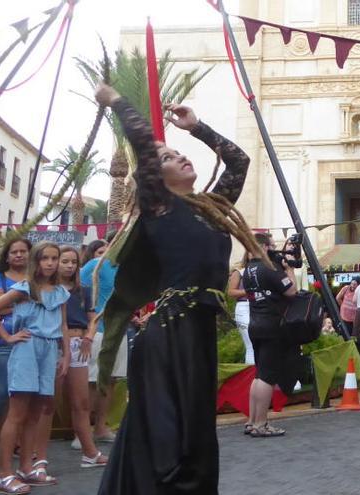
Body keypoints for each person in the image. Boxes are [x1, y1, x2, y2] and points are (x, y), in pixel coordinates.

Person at [93, 83, 251, 494]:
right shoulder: (158, 206)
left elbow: (238, 160)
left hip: (198, 334)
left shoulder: (212, 210)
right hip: (169, 333)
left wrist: (197, 128)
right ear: (152, 175)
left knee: (196, 437)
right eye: (167, 157)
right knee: (170, 440)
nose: (179, 156)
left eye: (178, 151)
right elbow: (144, 146)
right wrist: (117, 101)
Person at [0, 242, 70, 493]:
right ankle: (4, 473)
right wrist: (8, 337)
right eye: (45, 258)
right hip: (27, 348)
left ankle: (27, 467)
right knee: (17, 413)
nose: (50, 263)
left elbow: (62, 325)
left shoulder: (60, 291)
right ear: (36, 261)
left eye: (54, 258)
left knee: (36, 412)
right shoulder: (25, 288)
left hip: (49, 350)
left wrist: (67, 355)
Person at [242, 234, 302, 438]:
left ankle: (251, 421)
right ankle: (261, 423)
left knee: (259, 374)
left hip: (255, 324)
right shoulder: (270, 269)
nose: (277, 250)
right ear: (265, 247)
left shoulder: (249, 269)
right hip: (272, 326)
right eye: (274, 246)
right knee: (267, 377)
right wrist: (289, 270)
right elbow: (291, 291)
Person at [54, 245, 108, 468]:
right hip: (55, 345)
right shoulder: (48, 289)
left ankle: (90, 452)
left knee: (82, 401)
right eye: (64, 261)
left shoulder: (82, 289)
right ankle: (36, 456)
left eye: (73, 262)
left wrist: (89, 336)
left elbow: (92, 317)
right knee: (47, 404)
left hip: (79, 345)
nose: (69, 266)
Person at [80, 237, 124, 445]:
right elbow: (78, 290)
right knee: (91, 381)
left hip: (121, 329)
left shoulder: (128, 267)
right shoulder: (95, 264)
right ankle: (82, 431)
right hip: (98, 329)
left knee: (111, 380)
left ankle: (100, 428)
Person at [0, 239, 30, 430]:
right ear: (7, 256)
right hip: (3, 343)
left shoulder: (37, 279)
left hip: (29, 343)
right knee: (2, 393)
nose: (18, 255)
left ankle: (12, 441)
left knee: (21, 395)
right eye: (14, 252)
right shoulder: (1, 277)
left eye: (23, 251)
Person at [227, 236, 268, 366]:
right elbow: (231, 292)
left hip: (260, 306)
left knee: (261, 343)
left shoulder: (263, 270)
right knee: (251, 343)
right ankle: (251, 378)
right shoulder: (239, 271)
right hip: (244, 307)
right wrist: (249, 291)